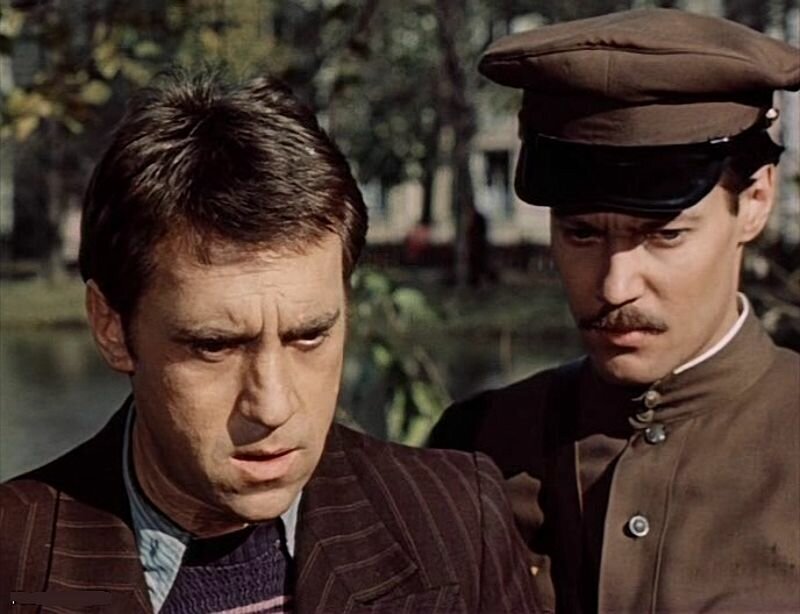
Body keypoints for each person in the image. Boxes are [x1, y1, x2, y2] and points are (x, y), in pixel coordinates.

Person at [0, 72, 541, 613]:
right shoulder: (13, 559)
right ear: (111, 328)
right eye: (215, 346)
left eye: (309, 335)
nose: (272, 406)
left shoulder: (457, 518)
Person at [430, 8, 800, 613]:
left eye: (665, 235)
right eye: (581, 234)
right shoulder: (476, 448)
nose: (615, 285)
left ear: (756, 201)